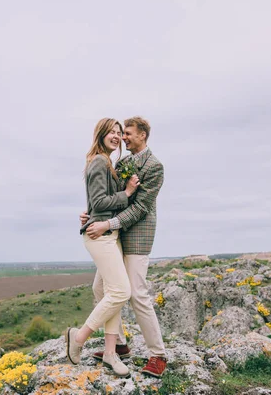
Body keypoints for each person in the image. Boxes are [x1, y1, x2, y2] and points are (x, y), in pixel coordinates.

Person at [82, 116, 168, 377]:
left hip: (137, 237)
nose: (124, 138)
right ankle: (118, 344)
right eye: (122, 133)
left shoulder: (154, 167)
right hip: (115, 234)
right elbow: (110, 199)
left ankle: (158, 354)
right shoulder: (123, 162)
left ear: (143, 135)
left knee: (137, 294)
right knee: (100, 288)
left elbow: (140, 207)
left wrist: (107, 224)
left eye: (128, 133)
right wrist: (92, 215)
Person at [65, 117, 140, 378]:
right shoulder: (99, 161)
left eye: (119, 133)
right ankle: (79, 337)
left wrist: (93, 213)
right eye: (111, 132)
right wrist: (127, 193)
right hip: (101, 236)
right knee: (120, 292)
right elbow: (99, 201)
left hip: (110, 233)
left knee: (109, 291)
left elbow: (95, 204)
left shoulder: (107, 162)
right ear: (100, 135)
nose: (117, 136)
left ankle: (110, 353)